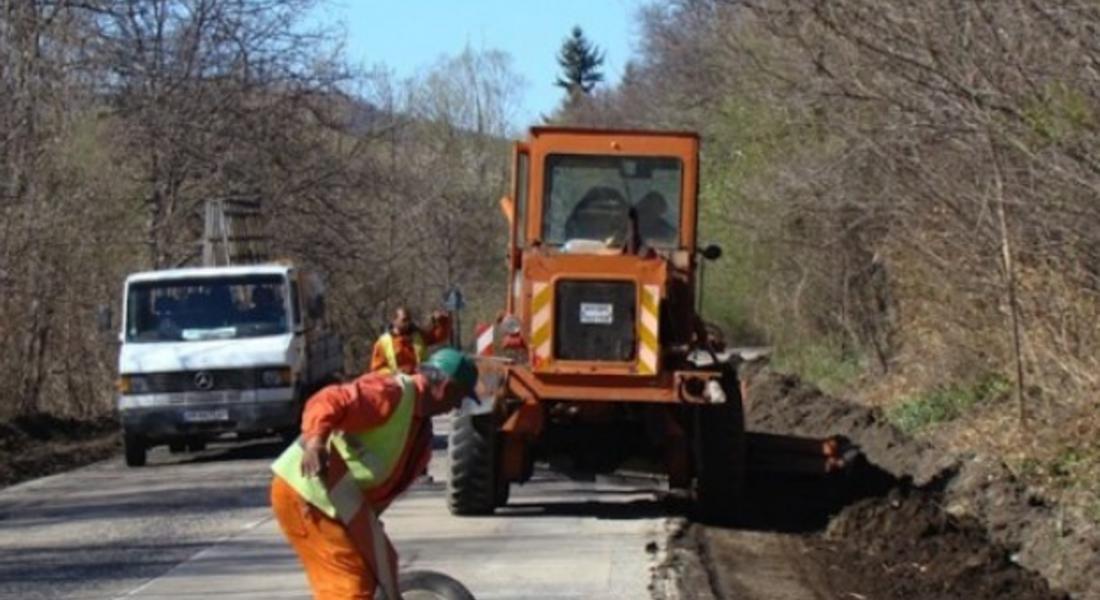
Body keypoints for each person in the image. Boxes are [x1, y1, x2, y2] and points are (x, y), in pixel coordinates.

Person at [270, 348, 478, 599]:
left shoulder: (419, 432)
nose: (457, 405)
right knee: (350, 589)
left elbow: (380, 482)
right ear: (446, 387)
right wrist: (316, 442)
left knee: (383, 566)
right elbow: (329, 400)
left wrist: (369, 523)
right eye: (460, 396)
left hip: (342, 501)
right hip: (306, 492)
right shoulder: (390, 393)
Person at [368, 306, 451, 374]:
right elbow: (377, 370)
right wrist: (394, 373)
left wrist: (442, 322)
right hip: (397, 386)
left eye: (409, 320)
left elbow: (439, 337)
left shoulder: (418, 335)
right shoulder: (383, 342)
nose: (407, 323)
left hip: (420, 384)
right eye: (404, 320)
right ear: (394, 321)